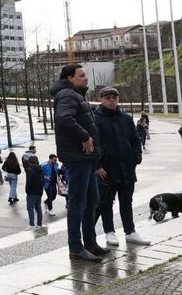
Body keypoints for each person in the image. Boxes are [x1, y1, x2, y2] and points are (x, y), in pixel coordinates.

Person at [51, 63, 107, 262]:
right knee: (77, 202)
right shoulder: (67, 95)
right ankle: (76, 247)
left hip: (87, 158)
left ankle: (90, 244)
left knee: (92, 200)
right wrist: (84, 136)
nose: (86, 78)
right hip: (77, 158)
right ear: (69, 78)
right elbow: (64, 119)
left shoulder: (76, 94)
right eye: (81, 75)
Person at [92, 86, 149, 246]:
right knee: (106, 203)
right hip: (106, 169)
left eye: (114, 98)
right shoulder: (95, 119)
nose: (111, 100)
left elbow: (135, 139)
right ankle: (109, 232)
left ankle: (130, 231)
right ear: (101, 99)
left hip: (126, 168)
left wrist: (136, 158)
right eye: (108, 98)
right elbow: (93, 144)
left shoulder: (126, 118)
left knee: (127, 201)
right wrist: (97, 165)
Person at [25, 155, 44, 229]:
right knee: (38, 208)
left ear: (29, 162)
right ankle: (39, 223)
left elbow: (29, 182)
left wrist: (27, 191)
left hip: (32, 192)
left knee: (30, 208)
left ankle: (31, 224)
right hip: (39, 191)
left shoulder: (29, 170)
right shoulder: (40, 168)